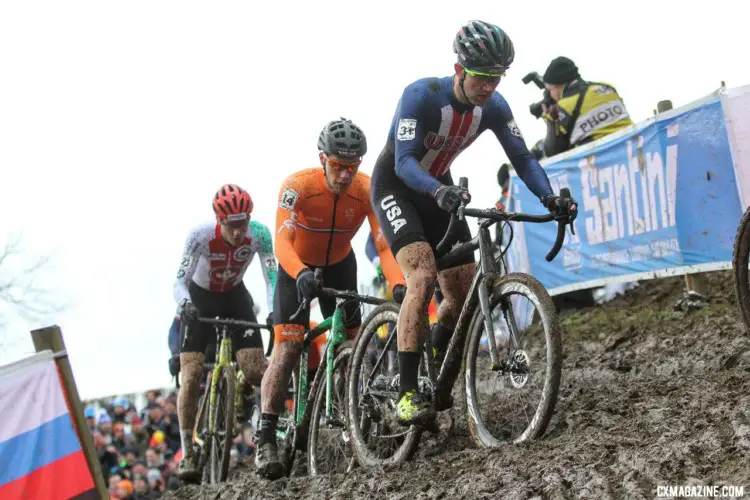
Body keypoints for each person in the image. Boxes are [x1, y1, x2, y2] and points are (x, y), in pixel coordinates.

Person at [369, 20, 578, 426]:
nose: (489, 87)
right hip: (399, 184)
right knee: (423, 275)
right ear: (460, 69)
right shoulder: (421, 95)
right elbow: (405, 161)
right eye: (482, 77)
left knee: (462, 295)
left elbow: (523, 159)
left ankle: (434, 359)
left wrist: (549, 197)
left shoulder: (495, 107)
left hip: (438, 187)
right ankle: (408, 391)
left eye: (497, 78)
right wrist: (437, 191)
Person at [254, 118, 404, 479]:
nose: (344, 175)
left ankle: (351, 410)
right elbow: (281, 242)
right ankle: (266, 434)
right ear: (323, 159)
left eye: (352, 167)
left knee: (351, 344)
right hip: (297, 269)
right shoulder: (297, 186)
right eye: (337, 166)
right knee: (288, 349)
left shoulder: (366, 189)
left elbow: (383, 244)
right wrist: (301, 272)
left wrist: (398, 282)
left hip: (340, 264)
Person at [173, 183, 278, 480]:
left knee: (258, 370)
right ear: (219, 221)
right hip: (201, 300)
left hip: (235, 297)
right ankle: (188, 451)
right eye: (231, 226)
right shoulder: (200, 236)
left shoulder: (259, 234)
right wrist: (185, 304)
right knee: (191, 375)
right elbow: (178, 281)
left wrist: (272, 311)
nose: (237, 232)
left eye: (242, 224)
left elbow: (272, 277)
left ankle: (243, 382)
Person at [540, 56, 633, 157]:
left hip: (601, 161)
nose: (551, 95)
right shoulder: (607, 87)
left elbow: (552, 152)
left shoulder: (562, 108)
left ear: (558, 86)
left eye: (549, 90)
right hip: (634, 149)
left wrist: (549, 120)